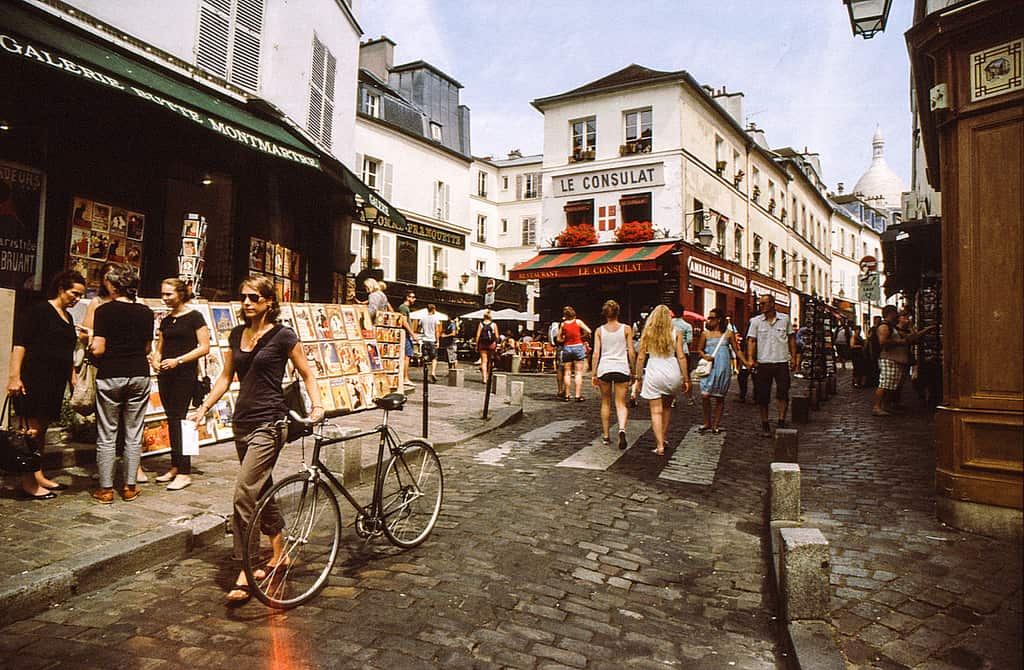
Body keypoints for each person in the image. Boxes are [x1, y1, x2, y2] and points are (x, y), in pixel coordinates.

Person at [191, 276, 322, 602]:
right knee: (261, 488)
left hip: (270, 422)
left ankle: (246, 567)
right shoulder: (237, 335)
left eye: (254, 297)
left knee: (243, 494)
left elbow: (306, 372)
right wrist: (204, 407)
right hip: (242, 423)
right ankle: (279, 553)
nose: (247, 302)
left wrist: (318, 405)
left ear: (268, 302)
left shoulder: (283, 336)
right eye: (243, 297)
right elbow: (225, 378)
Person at [6, 270, 86, 499]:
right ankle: (28, 481)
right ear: (61, 288)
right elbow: (20, 343)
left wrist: (72, 376)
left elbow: (67, 350)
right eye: (74, 293)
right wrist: (14, 376)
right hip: (35, 378)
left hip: (54, 382)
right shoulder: (40, 311)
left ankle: (38, 474)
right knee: (31, 431)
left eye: (80, 295)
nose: (77, 299)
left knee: (42, 430)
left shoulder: (67, 317)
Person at [89, 265, 154, 503]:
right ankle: (129, 486)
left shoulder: (104, 311)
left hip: (111, 373)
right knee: (133, 433)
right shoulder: (146, 312)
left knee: (107, 433)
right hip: (138, 373)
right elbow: (147, 348)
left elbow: (99, 347)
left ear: (114, 286)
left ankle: (106, 489)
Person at [152, 278, 211, 491]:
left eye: (169, 294)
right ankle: (176, 465)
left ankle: (185, 471)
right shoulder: (167, 320)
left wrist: (178, 360)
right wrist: (156, 359)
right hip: (166, 375)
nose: (165, 298)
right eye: (163, 294)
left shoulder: (195, 316)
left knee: (183, 421)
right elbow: (160, 346)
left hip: (185, 375)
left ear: (180, 293)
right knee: (172, 420)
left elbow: (204, 347)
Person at [635, 305, 690, 455]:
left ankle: (659, 445)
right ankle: (664, 437)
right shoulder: (676, 333)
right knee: (666, 409)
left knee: (655, 411)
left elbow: (641, 357)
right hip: (672, 371)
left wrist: (638, 377)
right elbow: (681, 356)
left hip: (654, 370)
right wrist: (686, 379)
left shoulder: (647, 332)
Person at [746, 294, 797, 437]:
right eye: (759, 303)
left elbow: (791, 339)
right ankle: (765, 423)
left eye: (763, 304)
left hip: (781, 361)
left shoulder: (784, 319)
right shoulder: (756, 322)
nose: (760, 306)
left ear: (772, 304)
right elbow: (752, 340)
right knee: (763, 395)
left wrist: (794, 357)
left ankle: (781, 420)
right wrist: (750, 358)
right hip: (764, 362)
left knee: (783, 392)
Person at [872, 307, 935, 416]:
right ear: (890, 313)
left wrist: (921, 331)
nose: (897, 315)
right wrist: (900, 342)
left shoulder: (892, 327)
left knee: (891, 385)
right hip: (889, 359)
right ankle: (877, 407)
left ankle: (886, 406)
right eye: (895, 313)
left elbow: (910, 338)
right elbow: (883, 341)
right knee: (885, 384)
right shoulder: (884, 327)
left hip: (896, 359)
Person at [695, 308, 748, 434]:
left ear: (719, 320)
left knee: (720, 397)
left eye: (712, 318)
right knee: (705, 395)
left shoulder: (728, 334)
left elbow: (737, 350)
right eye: (709, 317)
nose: (709, 320)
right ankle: (707, 421)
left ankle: (715, 424)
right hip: (709, 366)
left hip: (723, 366)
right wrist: (704, 356)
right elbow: (699, 350)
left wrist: (745, 362)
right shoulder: (705, 334)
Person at [591, 300, 635, 449]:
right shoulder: (626, 329)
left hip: (604, 368)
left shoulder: (599, 331)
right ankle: (621, 429)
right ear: (618, 313)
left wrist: (594, 373)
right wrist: (633, 370)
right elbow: (631, 351)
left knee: (605, 402)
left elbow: (596, 353)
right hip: (621, 368)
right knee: (621, 403)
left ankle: (605, 435)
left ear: (604, 314)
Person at [557, 306, 592, 402]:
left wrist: (565, 339)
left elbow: (558, 338)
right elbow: (589, 331)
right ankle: (577, 395)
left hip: (567, 348)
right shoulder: (578, 322)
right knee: (578, 373)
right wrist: (581, 336)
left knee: (567, 373)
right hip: (578, 346)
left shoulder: (563, 324)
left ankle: (567, 395)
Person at [670, 304, 694, 408]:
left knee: (672, 376)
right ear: (683, 313)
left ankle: (673, 399)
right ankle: (689, 398)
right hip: (684, 351)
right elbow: (689, 340)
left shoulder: (669, 324)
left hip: (671, 352)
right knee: (687, 375)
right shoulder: (687, 326)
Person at [396, 291, 418, 388]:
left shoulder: (405, 308)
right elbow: (404, 322)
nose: (414, 299)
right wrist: (413, 334)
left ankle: (405, 377)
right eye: (412, 297)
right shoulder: (403, 307)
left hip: (407, 334)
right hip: (405, 334)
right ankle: (405, 378)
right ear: (407, 297)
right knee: (407, 356)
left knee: (407, 356)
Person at [474, 310, 499, 385]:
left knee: (484, 361)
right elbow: (497, 336)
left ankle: (484, 378)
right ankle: (488, 376)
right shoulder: (494, 324)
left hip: (482, 344)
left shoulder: (481, 324)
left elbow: (478, 336)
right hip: (491, 344)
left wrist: (476, 344)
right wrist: (496, 344)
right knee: (490, 361)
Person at [419, 304, 441, 383]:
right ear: (433, 309)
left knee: (425, 358)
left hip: (424, 340)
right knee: (434, 358)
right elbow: (437, 331)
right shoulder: (435, 319)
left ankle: (425, 374)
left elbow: (419, 328)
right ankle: (433, 372)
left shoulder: (422, 318)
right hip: (432, 340)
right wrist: (438, 341)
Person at [548, 320, 565, 399]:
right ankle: (563, 390)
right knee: (564, 369)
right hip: (564, 347)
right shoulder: (560, 326)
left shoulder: (555, 325)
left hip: (561, 348)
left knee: (561, 369)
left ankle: (561, 390)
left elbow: (552, 340)